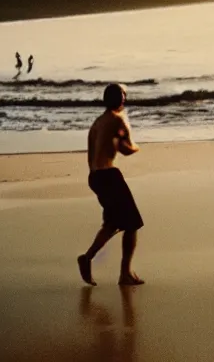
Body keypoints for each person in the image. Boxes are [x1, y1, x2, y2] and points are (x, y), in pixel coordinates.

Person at [77, 83, 144, 286]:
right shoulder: (117, 119)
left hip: (95, 177)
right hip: (109, 175)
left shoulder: (97, 122)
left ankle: (87, 258)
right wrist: (136, 146)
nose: (125, 100)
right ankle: (125, 273)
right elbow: (127, 149)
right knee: (132, 224)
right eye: (124, 97)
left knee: (112, 223)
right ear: (120, 100)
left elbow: (95, 153)